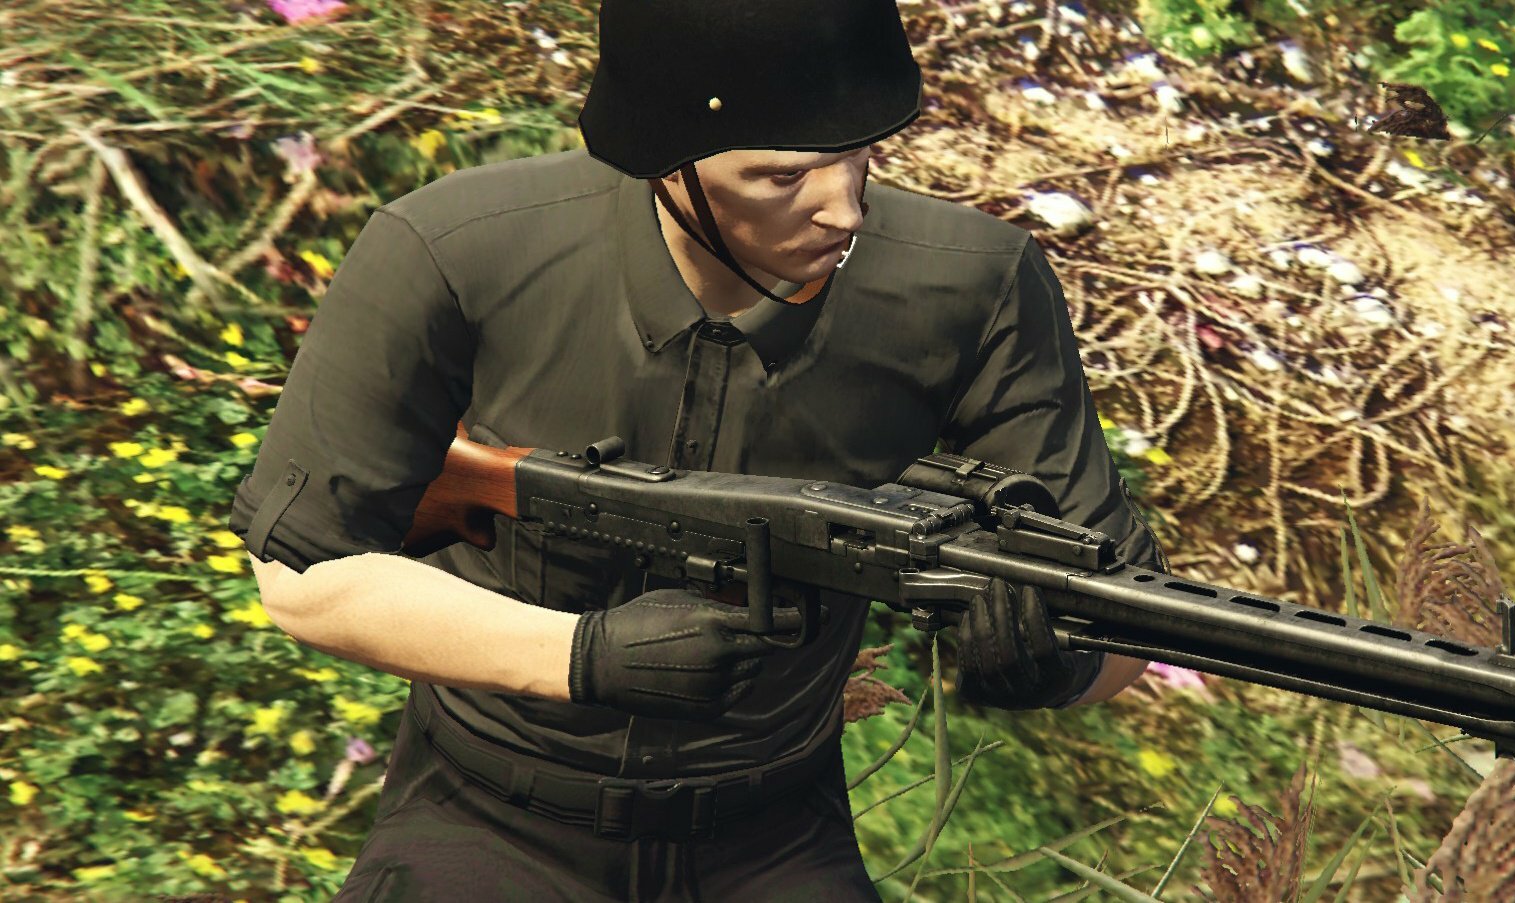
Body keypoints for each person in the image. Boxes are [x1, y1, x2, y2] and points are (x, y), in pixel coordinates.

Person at [229, 0, 1170, 899]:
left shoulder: (974, 286)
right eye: (781, 177)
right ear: (666, 164)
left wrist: (1058, 659)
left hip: (774, 830)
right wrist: (580, 654)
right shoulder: (455, 249)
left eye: (860, 157)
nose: (843, 210)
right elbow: (303, 575)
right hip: (482, 807)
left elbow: (1129, 608)